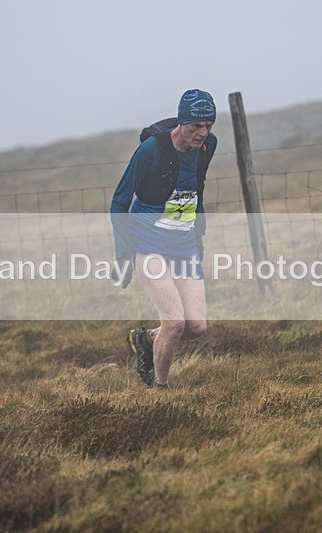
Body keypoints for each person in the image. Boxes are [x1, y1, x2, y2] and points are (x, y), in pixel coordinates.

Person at [110, 89, 218, 388]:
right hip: (147, 242)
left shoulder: (209, 146)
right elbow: (119, 201)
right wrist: (123, 254)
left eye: (208, 125)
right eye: (196, 125)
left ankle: (145, 339)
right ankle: (160, 390)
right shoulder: (150, 151)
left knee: (196, 327)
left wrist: (199, 237)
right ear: (182, 122)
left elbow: (196, 192)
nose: (202, 132)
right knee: (174, 323)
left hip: (183, 244)